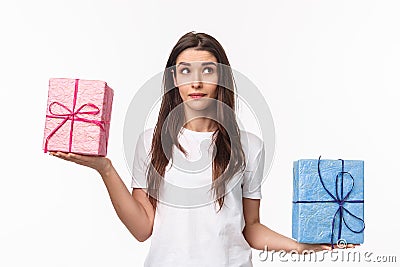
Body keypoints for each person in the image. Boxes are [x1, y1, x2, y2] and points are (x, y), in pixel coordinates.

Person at [49, 31, 356, 266]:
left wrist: (304, 247)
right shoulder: (149, 142)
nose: (196, 81)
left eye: (207, 70)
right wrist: (105, 169)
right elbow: (143, 228)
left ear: (220, 75)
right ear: (173, 78)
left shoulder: (250, 146)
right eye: (185, 71)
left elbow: (251, 228)